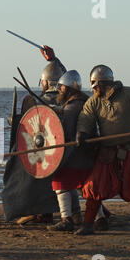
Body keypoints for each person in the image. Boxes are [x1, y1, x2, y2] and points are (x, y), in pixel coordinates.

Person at [75, 65, 130, 235]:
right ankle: (88, 224)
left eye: (95, 85)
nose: (93, 89)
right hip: (108, 151)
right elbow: (85, 120)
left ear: (102, 83)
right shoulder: (93, 102)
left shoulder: (128, 94)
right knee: (95, 186)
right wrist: (81, 134)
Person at [4, 45, 72, 226]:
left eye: (42, 81)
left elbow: (30, 124)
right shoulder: (70, 99)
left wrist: (16, 121)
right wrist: (53, 60)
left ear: (47, 82)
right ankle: (44, 213)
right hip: (65, 151)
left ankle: (36, 212)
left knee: (26, 174)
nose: (40, 84)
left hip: (48, 151)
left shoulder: (47, 102)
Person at [46, 70, 109, 231]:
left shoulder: (72, 108)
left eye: (61, 87)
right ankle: (100, 218)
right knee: (87, 187)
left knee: (60, 183)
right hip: (89, 154)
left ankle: (66, 219)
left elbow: (65, 133)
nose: (59, 90)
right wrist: (57, 110)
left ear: (68, 89)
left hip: (74, 155)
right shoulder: (85, 103)